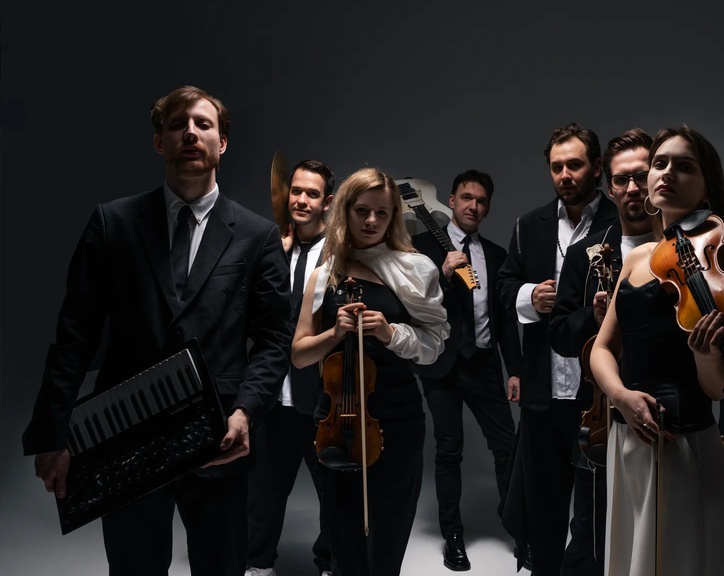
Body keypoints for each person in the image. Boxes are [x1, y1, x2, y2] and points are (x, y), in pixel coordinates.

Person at [23, 85, 293, 576]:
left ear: (222, 143)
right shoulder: (112, 222)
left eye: (203, 124)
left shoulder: (258, 236)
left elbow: (274, 339)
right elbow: (74, 334)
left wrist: (246, 412)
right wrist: (52, 430)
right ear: (158, 142)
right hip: (127, 433)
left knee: (222, 568)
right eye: (176, 125)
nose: (190, 133)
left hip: (219, 434)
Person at [589, 124, 724, 575]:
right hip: (627, 435)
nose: (667, 173)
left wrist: (705, 353)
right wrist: (620, 396)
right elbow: (602, 348)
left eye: (685, 166)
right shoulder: (638, 257)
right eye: (660, 163)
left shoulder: (720, 267)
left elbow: (715, 389)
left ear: (706, 186)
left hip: (681, 442)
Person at [291, 167, 449, 576]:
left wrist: (390, 332)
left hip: (397, 418)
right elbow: (300, 355)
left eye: (382, 212)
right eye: (362, 211)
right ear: (345, 211)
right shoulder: (323, 275)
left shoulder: (416, 269)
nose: (372, 221)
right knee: (343, 538)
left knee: (388, 537)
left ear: (394, 216)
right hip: (336, 421)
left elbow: (434, 347)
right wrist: (334, 333)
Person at [496, 123, 619, 575]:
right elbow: (503, 288)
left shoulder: (621, 222)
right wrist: (530, 296)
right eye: (556, 167)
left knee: (597, 511)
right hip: (543, 391)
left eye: (574, 165)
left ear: (597, 167)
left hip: (600, 393)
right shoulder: (529, 225)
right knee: (542, 508)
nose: (564, 175)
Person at [548, 128, 656, 576]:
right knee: (592, 536)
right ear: (608, 186)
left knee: (657, 533)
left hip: (667, 408)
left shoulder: (684, 249)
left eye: (642, 176)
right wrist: (591, 319)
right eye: (621, 179)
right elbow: (558, 335)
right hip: (599, 414)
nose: (632, 188)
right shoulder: (584, 254)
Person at [411, 169, 521, 572]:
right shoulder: (422, 248)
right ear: (452, 201)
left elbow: (505, 320)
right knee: (448, 451)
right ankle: (453, 537)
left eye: (481, 200)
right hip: (442, 366)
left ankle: (519, 530)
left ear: (487, 208)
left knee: (507, 448)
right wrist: (441, 273)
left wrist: (515, 370)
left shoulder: (496, 255)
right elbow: (411, 305)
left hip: (485, 366)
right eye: (466, 197)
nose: (473, 205)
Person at [246, 160, 336, 576]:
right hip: (271, 396)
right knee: (262, 491)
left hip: (320, 397)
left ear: (327, 202)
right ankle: (258, 564)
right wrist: (277, 259)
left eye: (311, 194)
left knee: (333, 492)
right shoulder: (269, 249)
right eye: (296, 191)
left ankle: (329, 564)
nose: (301, 200)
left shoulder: (340, 255)